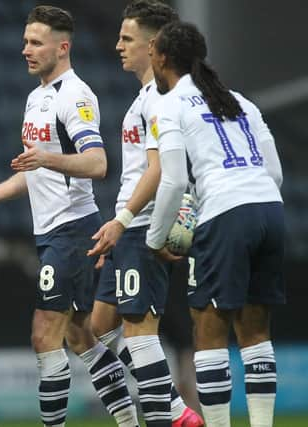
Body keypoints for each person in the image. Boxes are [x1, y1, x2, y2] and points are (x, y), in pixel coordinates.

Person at [0, 6, 139, 427]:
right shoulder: (36, 98)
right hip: (52, 232)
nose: (25, 50)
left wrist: (47, 158)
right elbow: (34, 173)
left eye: (35, 42)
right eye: (25, 41)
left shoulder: (76, 96)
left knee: (43, 334)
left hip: (72, 229)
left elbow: (97, 163)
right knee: (82, 335)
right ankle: (139, 417)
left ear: (62, 47)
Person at [146, 21, 284, 427]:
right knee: (256, 332)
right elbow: (273, 171)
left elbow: (171, 181)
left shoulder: (168, 106)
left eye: (154, 52)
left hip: (226, 212)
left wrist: (155, 239)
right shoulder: (240, 100)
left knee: (208, 330)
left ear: (163, 58)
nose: (150, 58)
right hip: (269, 209)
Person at [86, 2, 204, 426]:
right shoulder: (146, 96)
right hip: (130, 226)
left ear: (153, 44)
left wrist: (123, 222)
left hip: (145, 225)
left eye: (127, 39)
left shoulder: (162, 97)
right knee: (96, 327)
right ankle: (174, 408)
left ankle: (167, 417)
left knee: (139, 333)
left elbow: (161, 169)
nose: (118, 46)